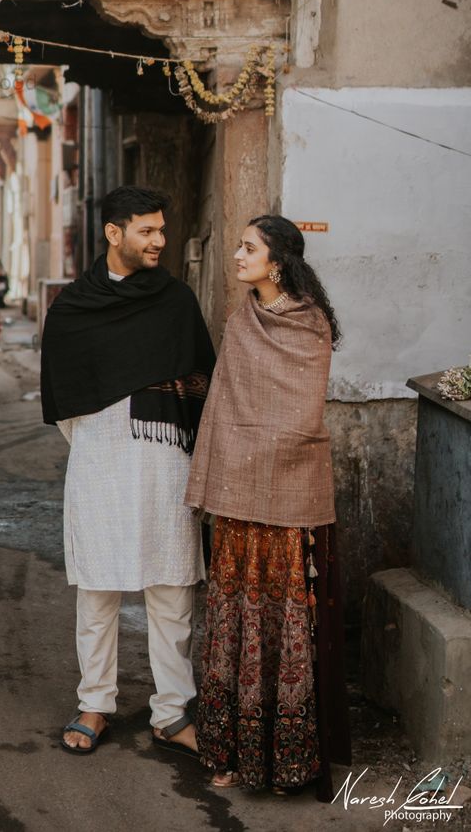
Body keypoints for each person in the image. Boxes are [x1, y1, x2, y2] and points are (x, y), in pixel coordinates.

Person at [40, 186, 216, 758]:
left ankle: (171, 711)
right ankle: (95, 702)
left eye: (162, 230)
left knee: (172, 592)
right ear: (114, 234)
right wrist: (102, 439)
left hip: (167, 467)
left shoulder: (176, 303)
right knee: (98, 589)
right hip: (99, 463)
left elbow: (200, 385)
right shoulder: (71, 310)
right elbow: (66, 404)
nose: (159, 240)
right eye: (147, 231)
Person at [184, 215, 352, 800]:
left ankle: (287, 761)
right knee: (235, 620)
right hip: (237, 498)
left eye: (248, 248)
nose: (236, 254)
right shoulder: (240, 321)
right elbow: (228, 404)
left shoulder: (310, 328)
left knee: (282, 624)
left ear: (276, 262)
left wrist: (260, 453)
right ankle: (232, 752)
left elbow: (301, 416)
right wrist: (239, 454)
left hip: (287, 501)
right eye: (238, 245)